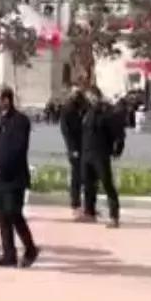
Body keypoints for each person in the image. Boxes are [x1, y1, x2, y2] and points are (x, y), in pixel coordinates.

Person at [0, 87, 39, 267]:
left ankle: (30, 248)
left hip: (14, 176)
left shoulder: (20, 121)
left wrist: (0, 164)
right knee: (1, 215)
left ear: (6, 99)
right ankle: (8, 254)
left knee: (14, 213)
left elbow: (18, 149)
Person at [81, 86, 125, 228]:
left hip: (101, 153)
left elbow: (118, 133)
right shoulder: (87, 112)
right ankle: (89, 212)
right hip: (87, 152)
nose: (90, 99)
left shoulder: (106, 112)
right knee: (88, 184)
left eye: (91, 96)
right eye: (88, 96)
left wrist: (117, 150)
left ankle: (114, 215)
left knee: (107, 184)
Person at [58, 88, 88, 220]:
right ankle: (75, 204)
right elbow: (66, 132)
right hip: (75, 148)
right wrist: (72, 149)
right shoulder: (67, 110)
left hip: (86, 147)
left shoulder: (85, 108)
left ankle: (88, 206)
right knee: (76, 176)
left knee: (87, 177)